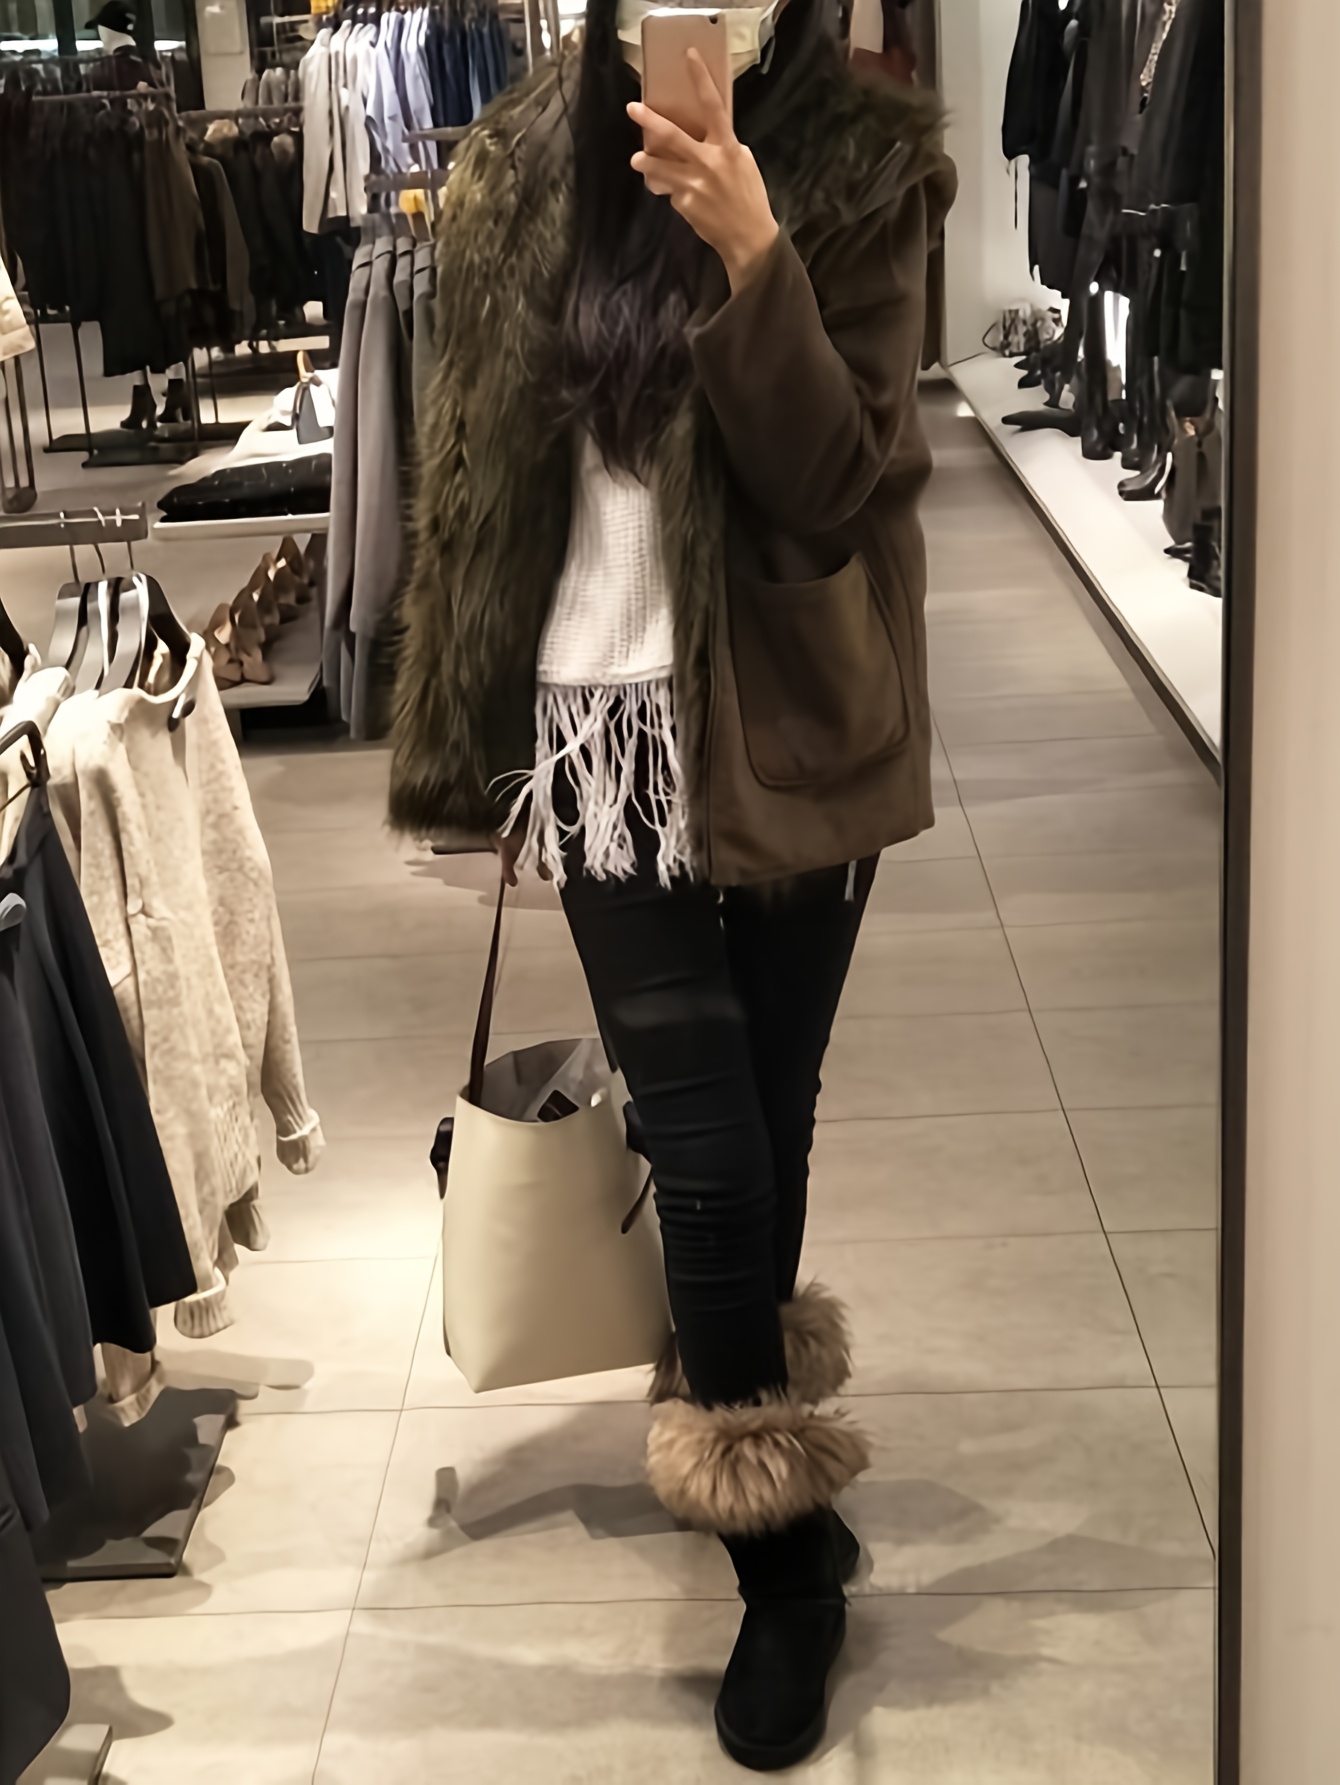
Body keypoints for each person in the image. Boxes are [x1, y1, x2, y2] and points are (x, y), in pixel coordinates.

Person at [390, 0, 955, 1767]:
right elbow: (473, 475)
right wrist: (461, 725)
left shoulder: (864, 165)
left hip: (793, 724)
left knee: (768, 1124)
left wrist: (756, 254)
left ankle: (758, 1452)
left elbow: (843, 479)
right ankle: (782, 1565)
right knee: (704, 1152)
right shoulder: (515, 165)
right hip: (597, 730)